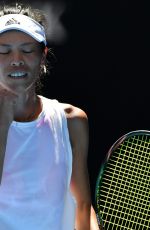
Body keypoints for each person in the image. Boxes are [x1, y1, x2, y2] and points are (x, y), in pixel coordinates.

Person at [0, 2, 101, 230]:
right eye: (4, 51)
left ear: (43, 56)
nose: (16, 59)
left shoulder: (72, 120)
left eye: (27, 50)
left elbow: (82, 205)